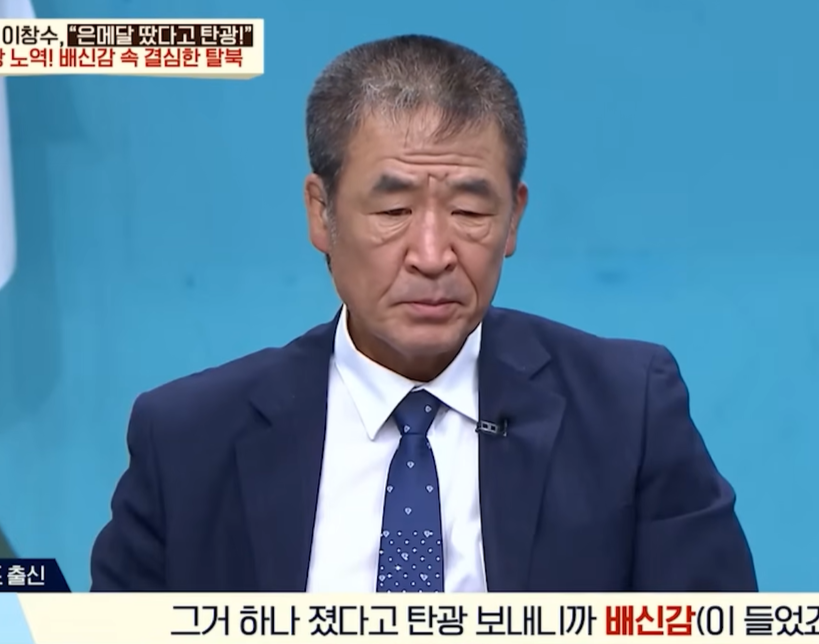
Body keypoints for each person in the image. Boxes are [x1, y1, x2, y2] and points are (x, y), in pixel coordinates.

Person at [90, 34, 757, 592]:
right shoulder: (188, 440)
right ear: (321, 213)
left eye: (469, 210)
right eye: (393, 210)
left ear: (514, 219)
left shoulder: (627, 412)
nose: (433, 255)